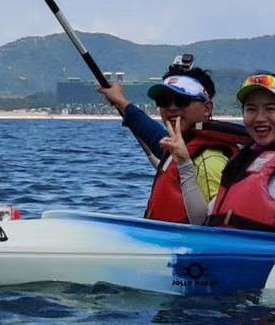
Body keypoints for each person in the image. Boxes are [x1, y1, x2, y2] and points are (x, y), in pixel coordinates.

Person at [163, 72, 275, 243]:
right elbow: (201, 222)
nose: (259, 118)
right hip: (226, 266)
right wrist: (184, 163)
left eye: (270, 109)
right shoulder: (241, 164)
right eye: (251, 109)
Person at [96, 54, 249, 222]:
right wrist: (120, 101)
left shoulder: (210, 160)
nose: (172, 108)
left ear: (207, 108)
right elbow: (152, 132)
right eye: (164, 101)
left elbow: (217, 227)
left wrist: (185, 165)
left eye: (182, 101)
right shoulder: (178, 146)